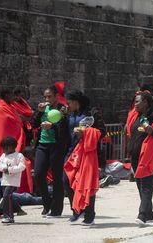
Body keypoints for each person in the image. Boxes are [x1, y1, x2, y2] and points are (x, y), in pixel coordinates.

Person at [62, 90, 106, 225]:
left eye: (69, 103)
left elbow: (102, 132)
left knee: (87, 184)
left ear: (76, 102)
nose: (67, 105)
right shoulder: (69, 114)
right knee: (67, 181)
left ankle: (89, 215)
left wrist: (85, 132)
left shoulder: (91, 114)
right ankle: (76, 209)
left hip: (87, 154)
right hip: (71, 153)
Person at [128, 92, 153, 225]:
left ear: (145, 102)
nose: (135, 104)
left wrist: (152, 131)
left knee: (146, 186)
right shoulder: (137, 116)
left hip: (148, 156)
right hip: (135, 157)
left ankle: (142, 215)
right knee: (140, 186)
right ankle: (149, 213)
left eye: (138, 101)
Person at [31, 85, 69, 217]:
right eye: (45, 97)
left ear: (56, 97)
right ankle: (47, 203)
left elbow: (64, 129)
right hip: (42, 145)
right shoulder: (43, 108)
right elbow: (33, 124)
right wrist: (39, 112)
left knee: (57, 178)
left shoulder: (62, 109)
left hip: (56, 146)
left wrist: (52, 126)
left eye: (49, 97)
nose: (47, 99)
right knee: (38, 174)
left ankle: (57, 209)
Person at [0, 136, 26, 223]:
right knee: (8, 197)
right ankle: (17, 210)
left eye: (4, 148)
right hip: (5, 180)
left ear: (11, 147)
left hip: (13, 181)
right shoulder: (3, 156)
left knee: (6, 196)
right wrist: (3, 168)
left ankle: (8, 216)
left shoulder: (19, 155)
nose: (3, 150)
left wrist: (10, 169)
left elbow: (22, 166)